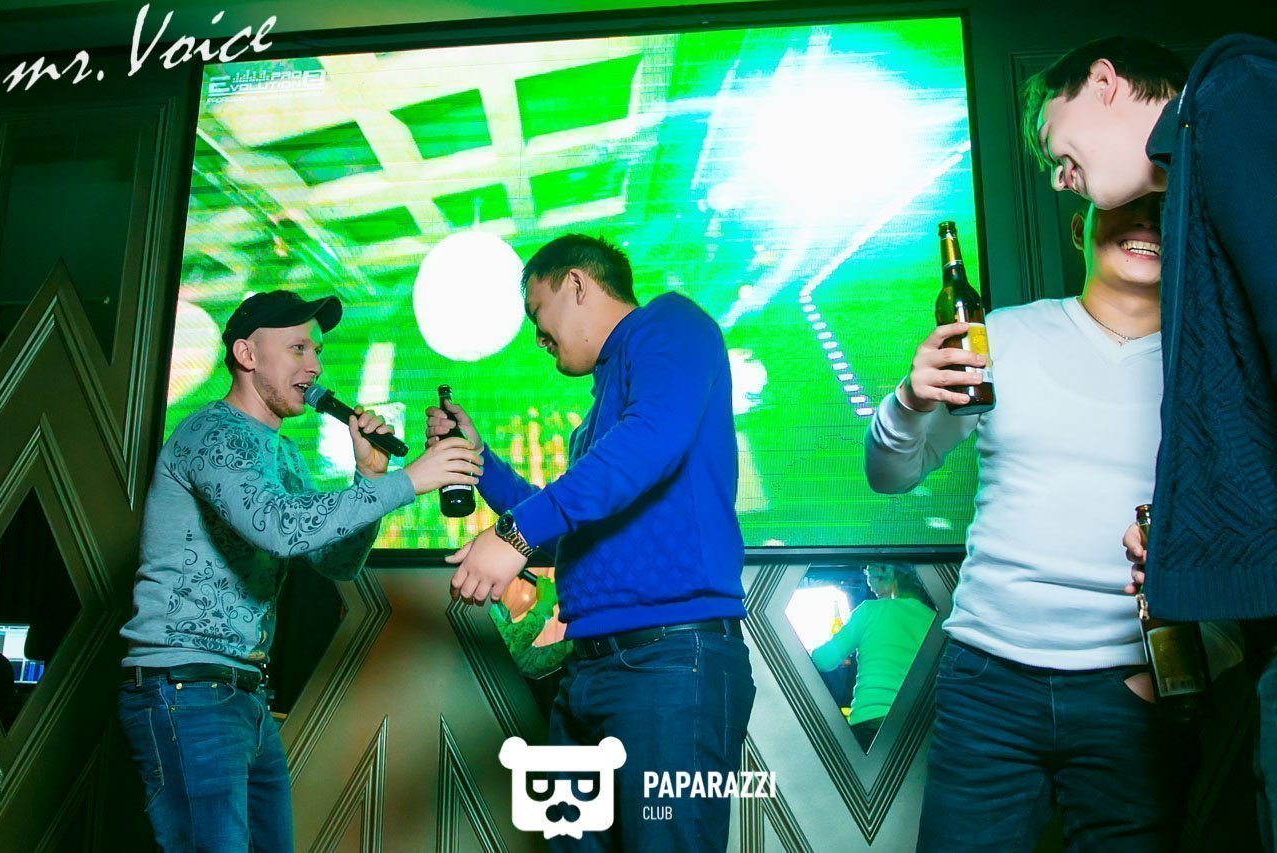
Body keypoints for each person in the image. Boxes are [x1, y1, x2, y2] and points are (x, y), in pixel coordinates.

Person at [868, 194, 1197, 850]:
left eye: (1161, 208)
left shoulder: (1205, 364)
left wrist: (1181, 664)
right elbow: (892, 475)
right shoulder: (1004, 334)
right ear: (1079, 225)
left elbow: (1245, 527)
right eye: (1125, 207)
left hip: (1132, 685)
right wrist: (908, 400)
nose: (1145, 224)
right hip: (987, 683)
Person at [1020, 34, 1277, 844]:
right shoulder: (1197, 177)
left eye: (1054, 145)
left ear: (1103, 82)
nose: (1059, 178)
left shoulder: (1230, 96)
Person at [117, 290, 483, 852]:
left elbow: (335, 562)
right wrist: (409, 480)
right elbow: (278, 526)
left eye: (317, 351)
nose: (314, 366)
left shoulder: (284, 455)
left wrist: (368, 477)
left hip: (243, 693)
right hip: (186, 689)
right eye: (297, 348)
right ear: (246, 354)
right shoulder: (213, 433)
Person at [426, 234, 754, 851]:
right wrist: (479, 461)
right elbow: (576, 537)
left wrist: (514, 533)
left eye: (537, 313)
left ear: (576, 284)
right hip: (587, 674)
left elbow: (648, 443)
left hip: (668, 666)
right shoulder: (599, 415)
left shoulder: (671, 324)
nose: (537, 336)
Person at [811, 564, 935, 752]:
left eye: (874, 578)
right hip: (918, 729)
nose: (873, 589)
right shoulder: (933, 618)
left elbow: (823, 660)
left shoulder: (869, 610)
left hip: (869, 725)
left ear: (892, 576)